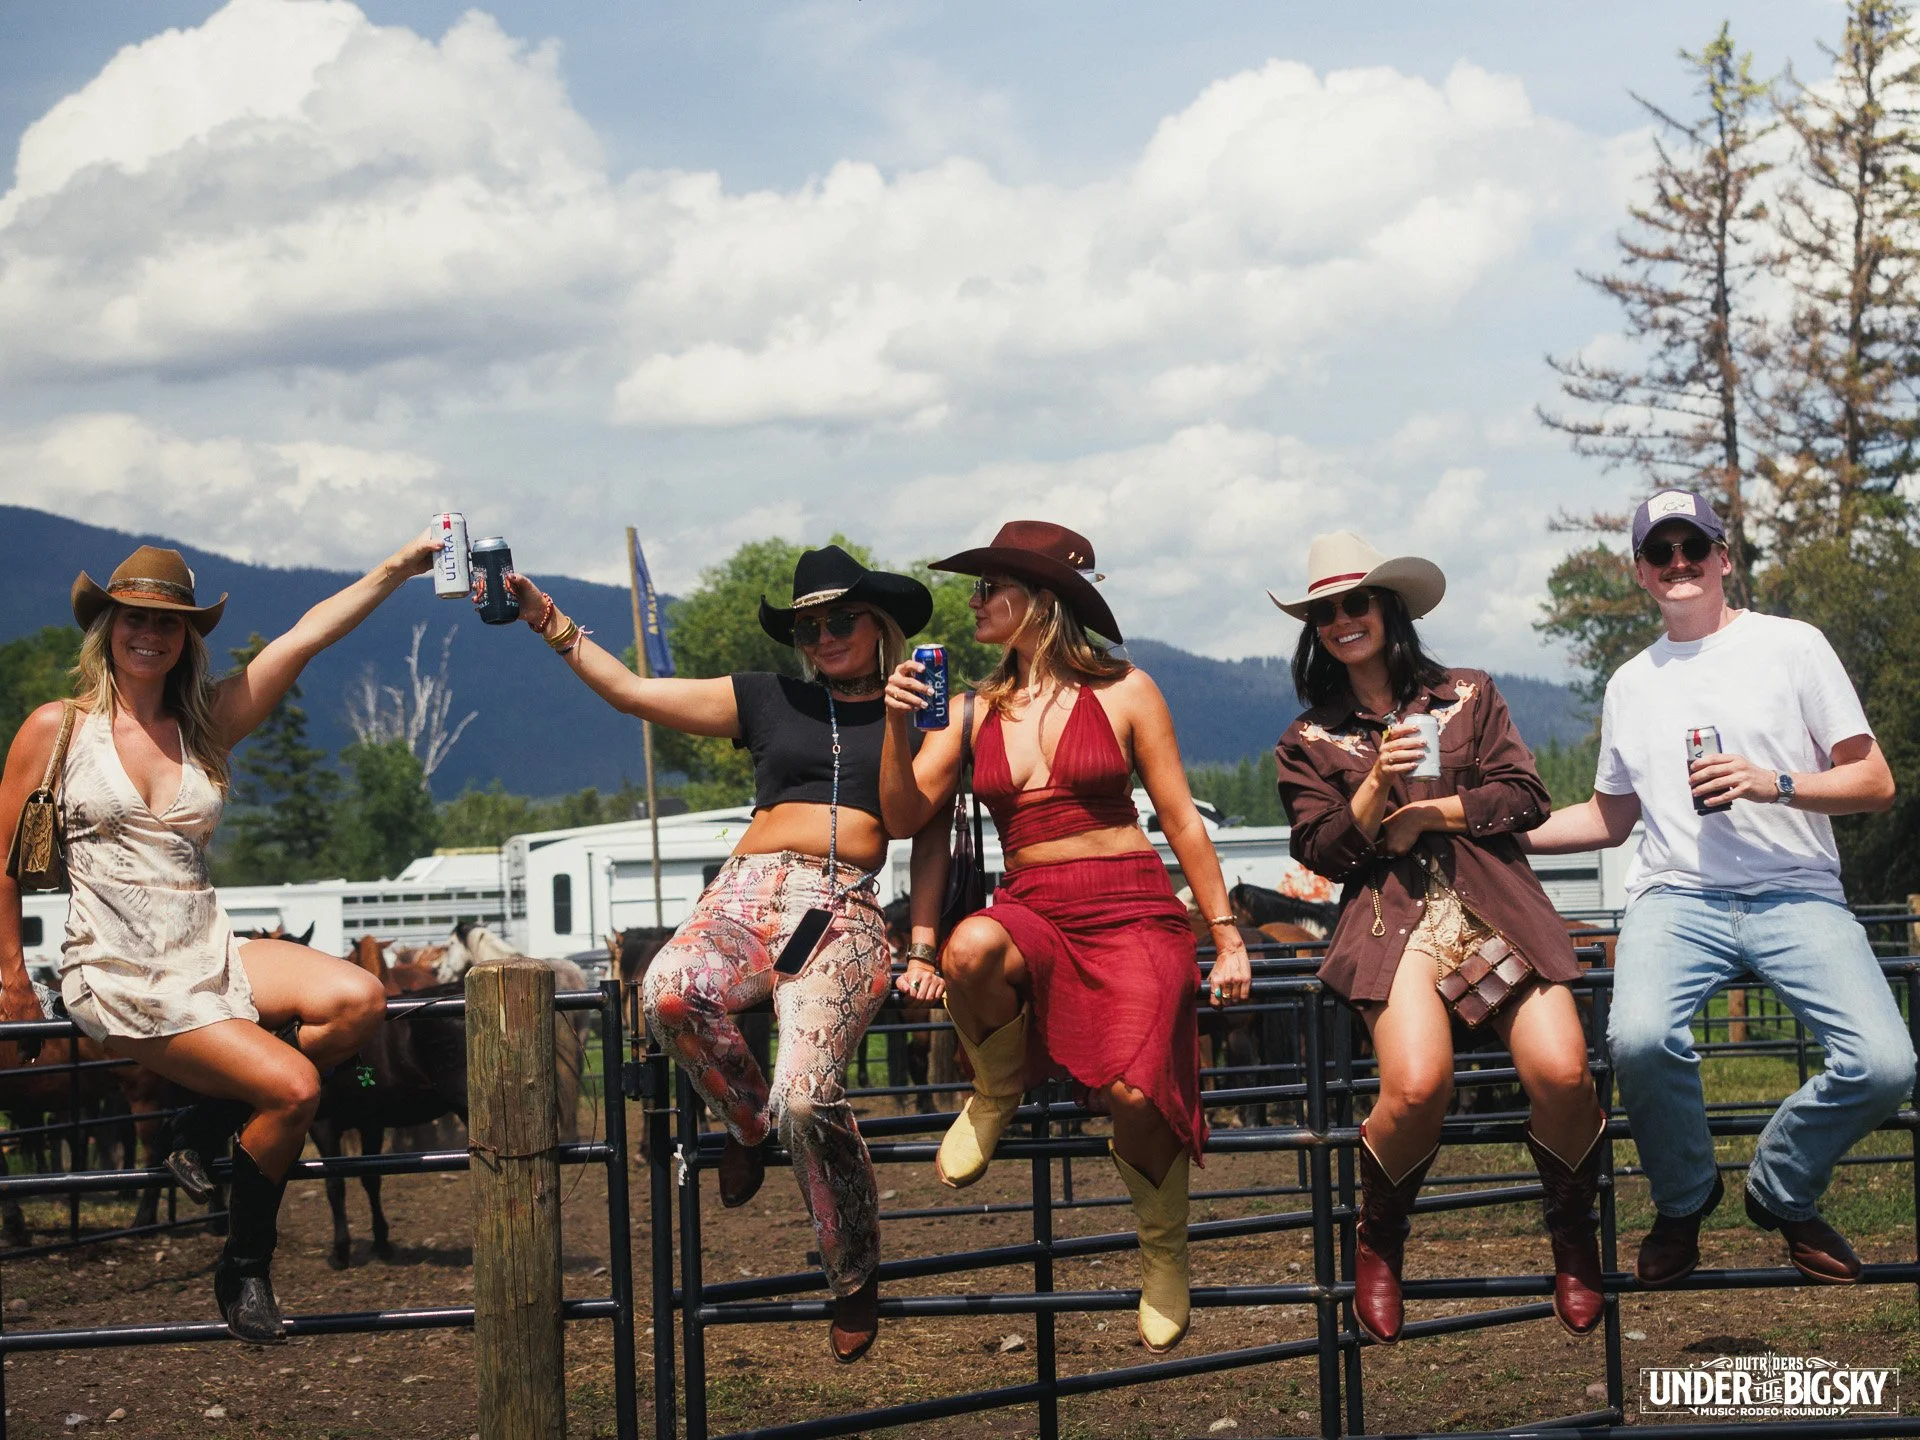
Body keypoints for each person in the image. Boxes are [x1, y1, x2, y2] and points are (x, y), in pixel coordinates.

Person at [493, 544, 937, 1363]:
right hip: (740, 892)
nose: (823, 637)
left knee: (808, 1099)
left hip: (837, 905)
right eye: (808, 628)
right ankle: (743, 1121)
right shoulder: (767, 697)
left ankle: (852, 1269)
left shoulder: (923, 708)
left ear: (879, 625)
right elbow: (634, 693)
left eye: (841, 620)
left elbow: (914, 824)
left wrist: (904, 724)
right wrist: (544, 618)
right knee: (666, 989)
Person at [0, 538, 432, 1342]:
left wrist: (398, 569)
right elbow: (2, 865)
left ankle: (199, 1127)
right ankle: (244, 1265)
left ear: (186, 637)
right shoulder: (58, 730)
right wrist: (14, 980)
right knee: (293, 1090)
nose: (150, 634)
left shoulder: (206, 724)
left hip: (208, 946)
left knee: (360, 998)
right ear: (107, 628)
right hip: (118, 970)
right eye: (134, 619)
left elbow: (306, 636)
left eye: (168, 623)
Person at [879, 520, 1252, 1355]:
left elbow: (1182, 819)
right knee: (968, 950)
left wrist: (1226, 934)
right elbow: (904, 816)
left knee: (1135, 1093)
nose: (974, 602)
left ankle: (1163, 1249)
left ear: (1040, 600)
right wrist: (894, 726)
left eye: (989, 588)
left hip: (1134, 906)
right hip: (1035, 906)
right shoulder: (969, 710)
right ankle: (995, 1090)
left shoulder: (1128, 690)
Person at [1525, 491, 1912, 1286]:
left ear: (1723, 558)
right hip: (1677, 898)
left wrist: (1775, 783)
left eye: (1693, 547)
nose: (1679, 564)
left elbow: (1875, 782)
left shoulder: (1793, 646)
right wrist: (1485, 831)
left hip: (1797, 890)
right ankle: (1685, 1200)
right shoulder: (1630, 682)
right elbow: (1609, 817)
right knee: (1638, 1039)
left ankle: (1782, 1185)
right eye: (1659, 553)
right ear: (1640, 573)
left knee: (1884, 1065)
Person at [1271, 531, 1606, 1343]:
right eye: (1325, 612)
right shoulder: (1307, 738)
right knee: (1418, 1088)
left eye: (1356, 602)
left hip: (1495, 909)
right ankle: (1380, 1236)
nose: (1342, 620)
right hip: (1392, 921)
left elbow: (1525, 796)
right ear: (1314, 630)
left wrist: (1430, 813)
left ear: (1389, 607)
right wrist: (1378, 783)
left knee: (1565, 1074)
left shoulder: (1470, 693)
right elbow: (1321, 851)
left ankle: (1572, 1231)